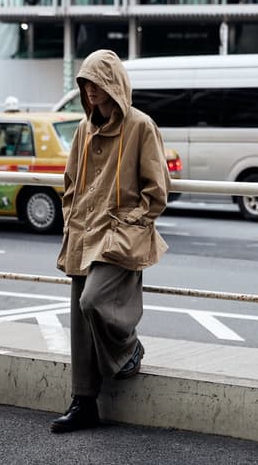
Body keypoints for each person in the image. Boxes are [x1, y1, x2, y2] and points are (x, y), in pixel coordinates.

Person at [51, 49, 170, 433]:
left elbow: (157, 192)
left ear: (113, 84)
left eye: (97, 84)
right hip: (84, 231)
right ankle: (83, 401)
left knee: (94, 300)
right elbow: (70, 182)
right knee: (79, 319)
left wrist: (130, 224)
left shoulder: (140, 126)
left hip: (119, 234)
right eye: (85, 84)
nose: (90, 92)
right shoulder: (84, 128)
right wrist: (72, 216)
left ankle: (128, 350)